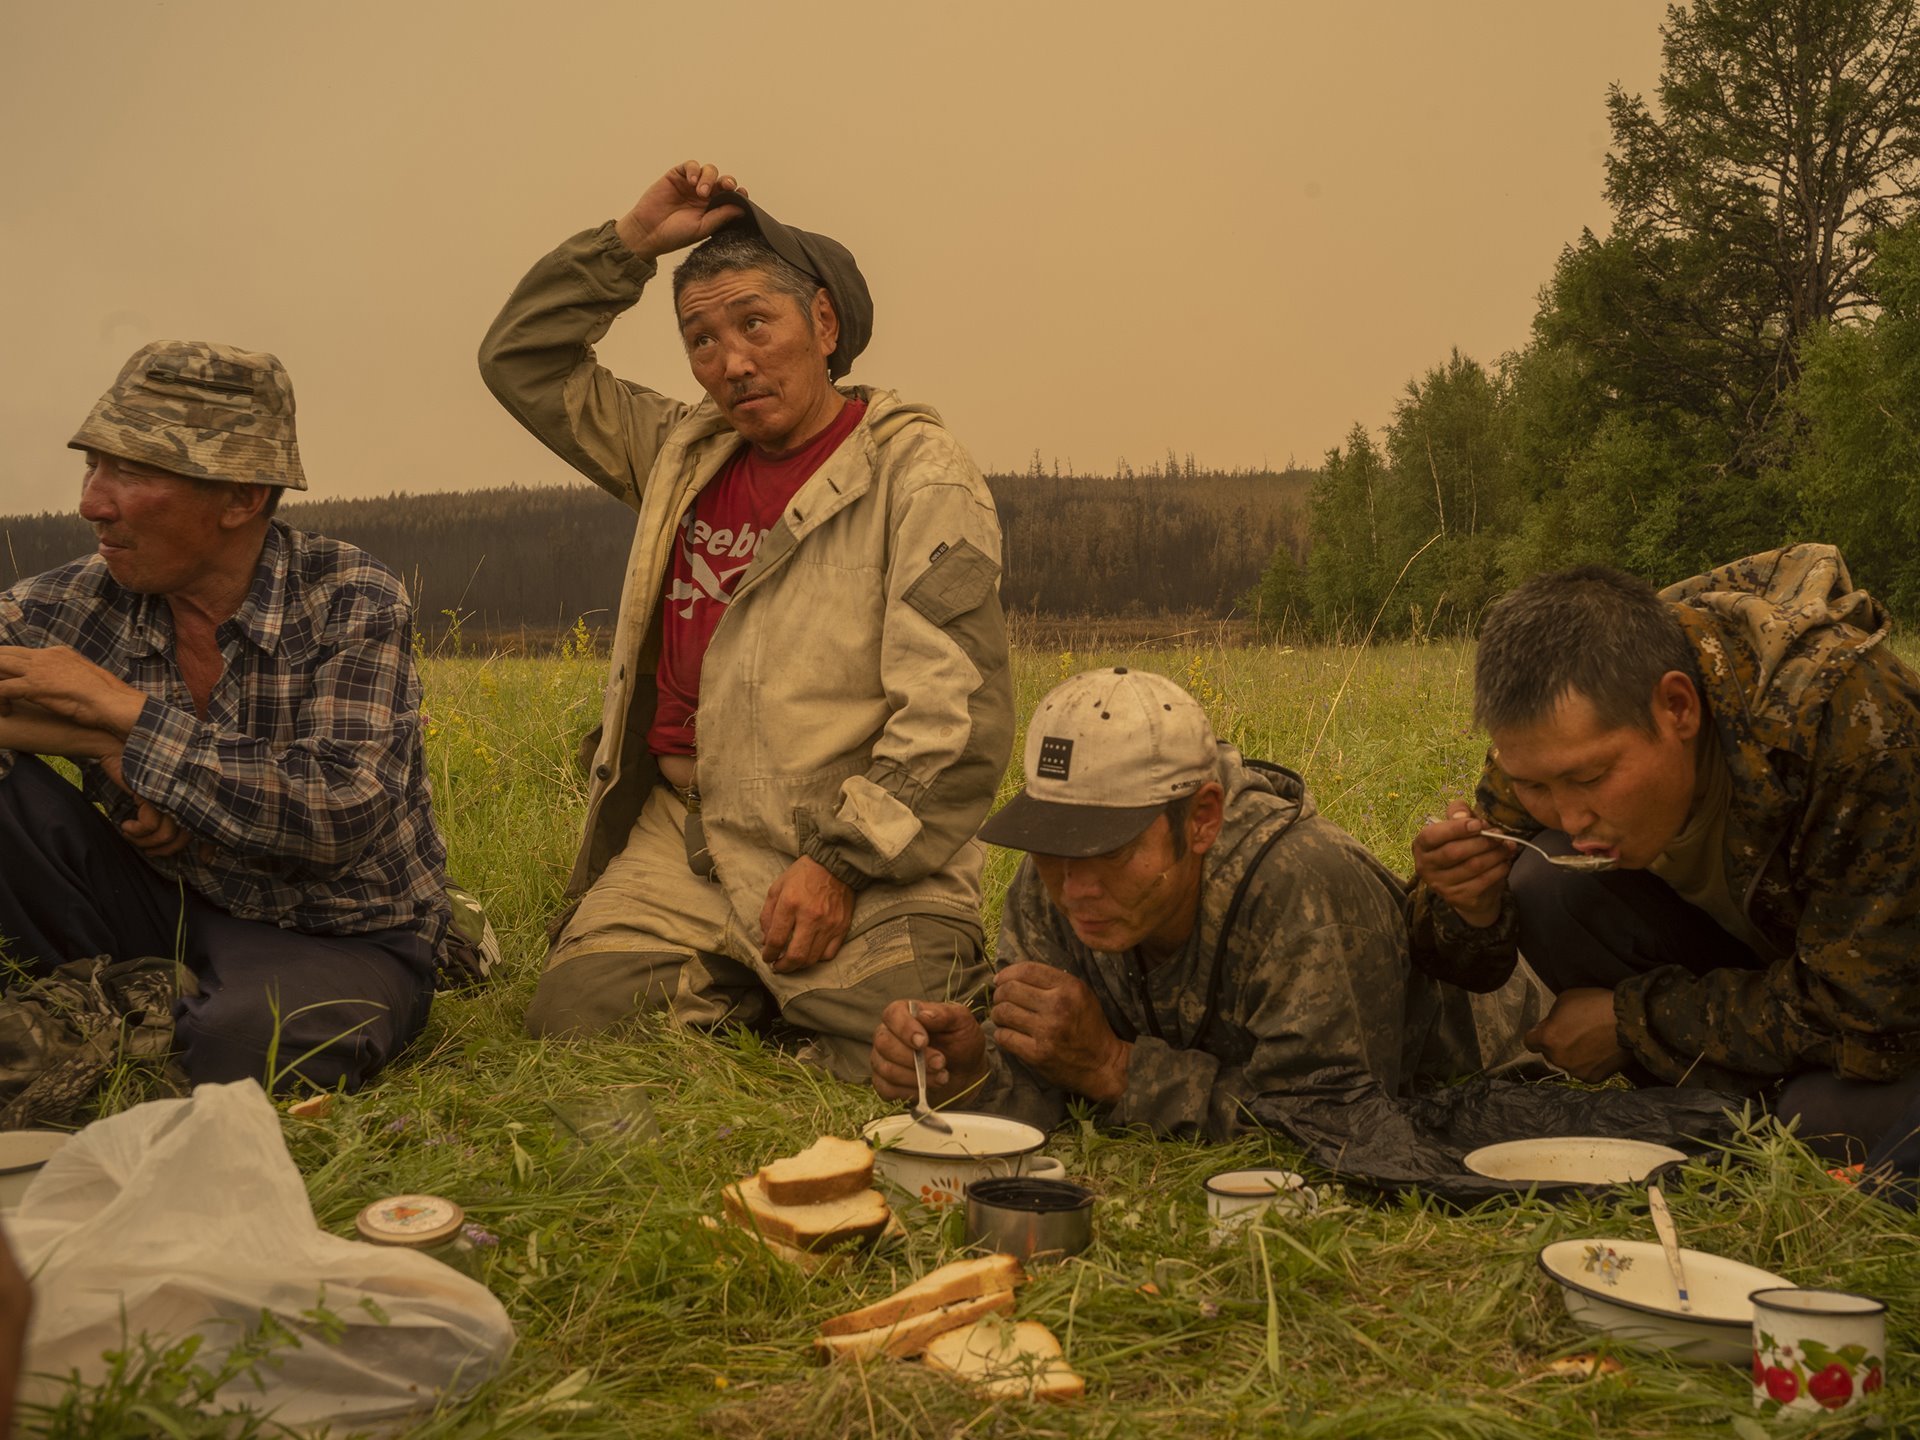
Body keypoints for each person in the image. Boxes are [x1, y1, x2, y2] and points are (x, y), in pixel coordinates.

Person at [478, 161, 1012, 1080]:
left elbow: (956, 720)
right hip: (683, 837)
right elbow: (521, 361)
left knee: (914, 1050)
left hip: (859, 850)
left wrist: (839, 867)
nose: (729, 362)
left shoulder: (918, 475)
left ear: (824, 323)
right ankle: (750, 985)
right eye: (701, 339)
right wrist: (630, 246)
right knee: (576, 1022)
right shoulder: (681, 453)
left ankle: (763, 992)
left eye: (753, 324)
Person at [0, 341, 447, 1093]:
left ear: (241, 498)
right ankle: (126, 998)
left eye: (132, 472)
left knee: (240, 1051)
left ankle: (128, 1012)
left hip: (333, 930)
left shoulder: (351, 595)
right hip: (150, 897)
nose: (91, 503)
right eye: (94, 464)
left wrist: (125, 717)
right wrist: (97, 740)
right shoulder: (73, 599)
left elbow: (337, 812)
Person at [1410, 547, 1920, 1159]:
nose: (1569, 819)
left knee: (1822, 1123)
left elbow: (1872, 1013)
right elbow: (1463, 966)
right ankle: (1716, 1099)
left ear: (1677, 708)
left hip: (1890, 1001)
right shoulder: (1551, 740)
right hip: (1771, 972)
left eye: (1593, 779)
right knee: (1544, 885)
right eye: (1534, 786)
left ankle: (1755, 1104)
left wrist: (1635, 1024)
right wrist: (1465, 903)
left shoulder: (1853, 729)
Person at [869, 668, 1490, 1140]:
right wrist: (972, 1071)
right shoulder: (1048, 881)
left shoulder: (1302, 888)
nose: (1075, 888)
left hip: (1510, 1060)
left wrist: (1116, 1068)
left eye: (1109, 849)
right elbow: (1051, 1076)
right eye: (1053, 844)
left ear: (1201, 820)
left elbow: (1330, 1119)